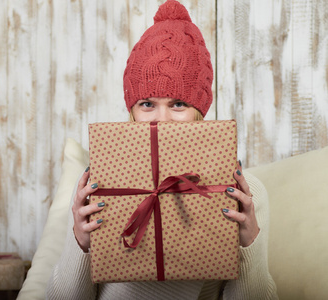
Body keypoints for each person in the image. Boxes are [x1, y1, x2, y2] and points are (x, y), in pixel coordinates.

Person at [46, 0, 278, 299]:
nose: (162, 119)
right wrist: (80, 244)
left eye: (178, 104)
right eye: (147, 104)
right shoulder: (96, 184)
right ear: (132, 110)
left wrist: (249, 246)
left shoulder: (244, 193)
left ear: (200, 111)